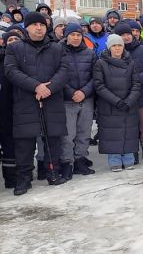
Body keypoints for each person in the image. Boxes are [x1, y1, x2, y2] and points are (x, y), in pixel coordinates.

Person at [4, 12, 69, 194]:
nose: (38, 28)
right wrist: (36, 87)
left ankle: (52, 172)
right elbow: (11, 71)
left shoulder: (57, 48)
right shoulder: (15, 48)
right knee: (24, 142)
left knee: (53, 139)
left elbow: (64, 70)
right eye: (34, 25)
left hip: (51, 99)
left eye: (41, 24)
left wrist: (49, 88)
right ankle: (24, 179)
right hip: (26, 100)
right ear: (27, 27)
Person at [93, 34, 140, 172]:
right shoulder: (100, 63)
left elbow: (136, 84)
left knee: (128, 131)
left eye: (119, 45)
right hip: (109, 104)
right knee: (112, 133)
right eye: (114, 45)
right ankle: (114, 160)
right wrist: (116, 101)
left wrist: (129, 100)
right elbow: (99, 85)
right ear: (109, 48)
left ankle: (128, 158)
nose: (117, 48)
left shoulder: (130, 63)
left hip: (128, 104)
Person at [116, 22, 143, 163]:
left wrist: (137, 80)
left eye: (128, 34)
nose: (126, 37)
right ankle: (132, 151)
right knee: (130, 126)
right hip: (124, 96)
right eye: (122, 35)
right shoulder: (115, 52)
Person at [60, 22, 96, 179]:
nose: (75, 37)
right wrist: (71, 92)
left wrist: (84, 91)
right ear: (66, 36)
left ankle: (80, 159)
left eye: (78, 35)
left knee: (84, 132)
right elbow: (56, 75)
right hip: (67, 99)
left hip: (86, 98)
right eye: (72, 34)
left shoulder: (90, 53)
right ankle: (67, 162)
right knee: (68, 134)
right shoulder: (58, 52)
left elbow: (96, 77)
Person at [0, 28, 22, 189]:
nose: (13, 43)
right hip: (4, 108)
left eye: (17, 39)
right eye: (10, 40)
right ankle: (10, 179)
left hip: (22, 106)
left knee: (17, 144)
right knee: (8, 144)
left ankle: (20, 175)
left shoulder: (26, 60)